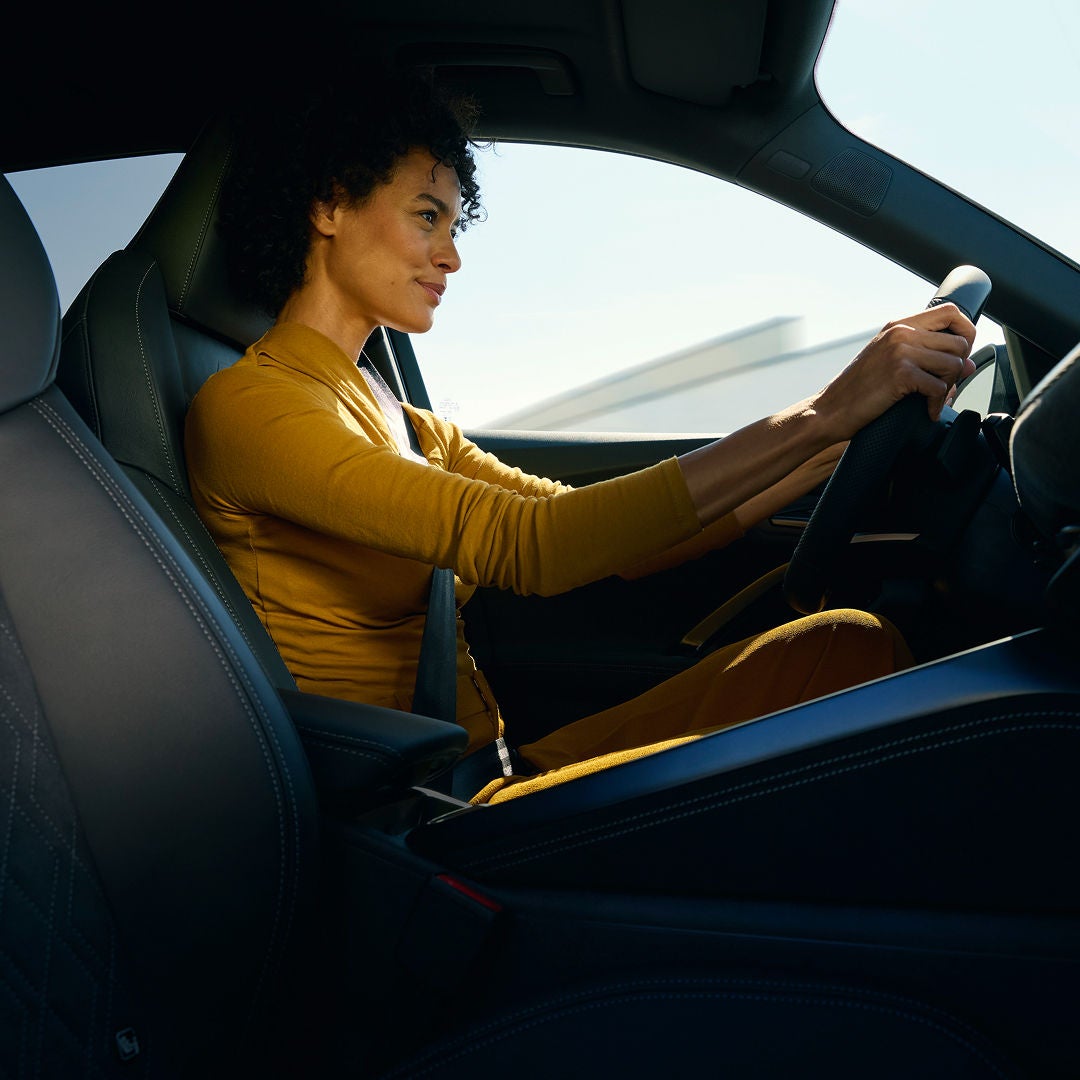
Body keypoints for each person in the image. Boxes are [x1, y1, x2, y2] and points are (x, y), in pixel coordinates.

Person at [184, 70, 976, 804]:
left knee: (840, 647)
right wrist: (822, 412)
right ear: (328, 205)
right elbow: (538, 543)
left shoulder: (407, 423)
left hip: (497, 764)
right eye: (429, 217)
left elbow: (612, 539)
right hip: (421, 820)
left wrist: (825, 452)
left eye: (455, 225)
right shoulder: (253, 408)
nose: (453, 256)